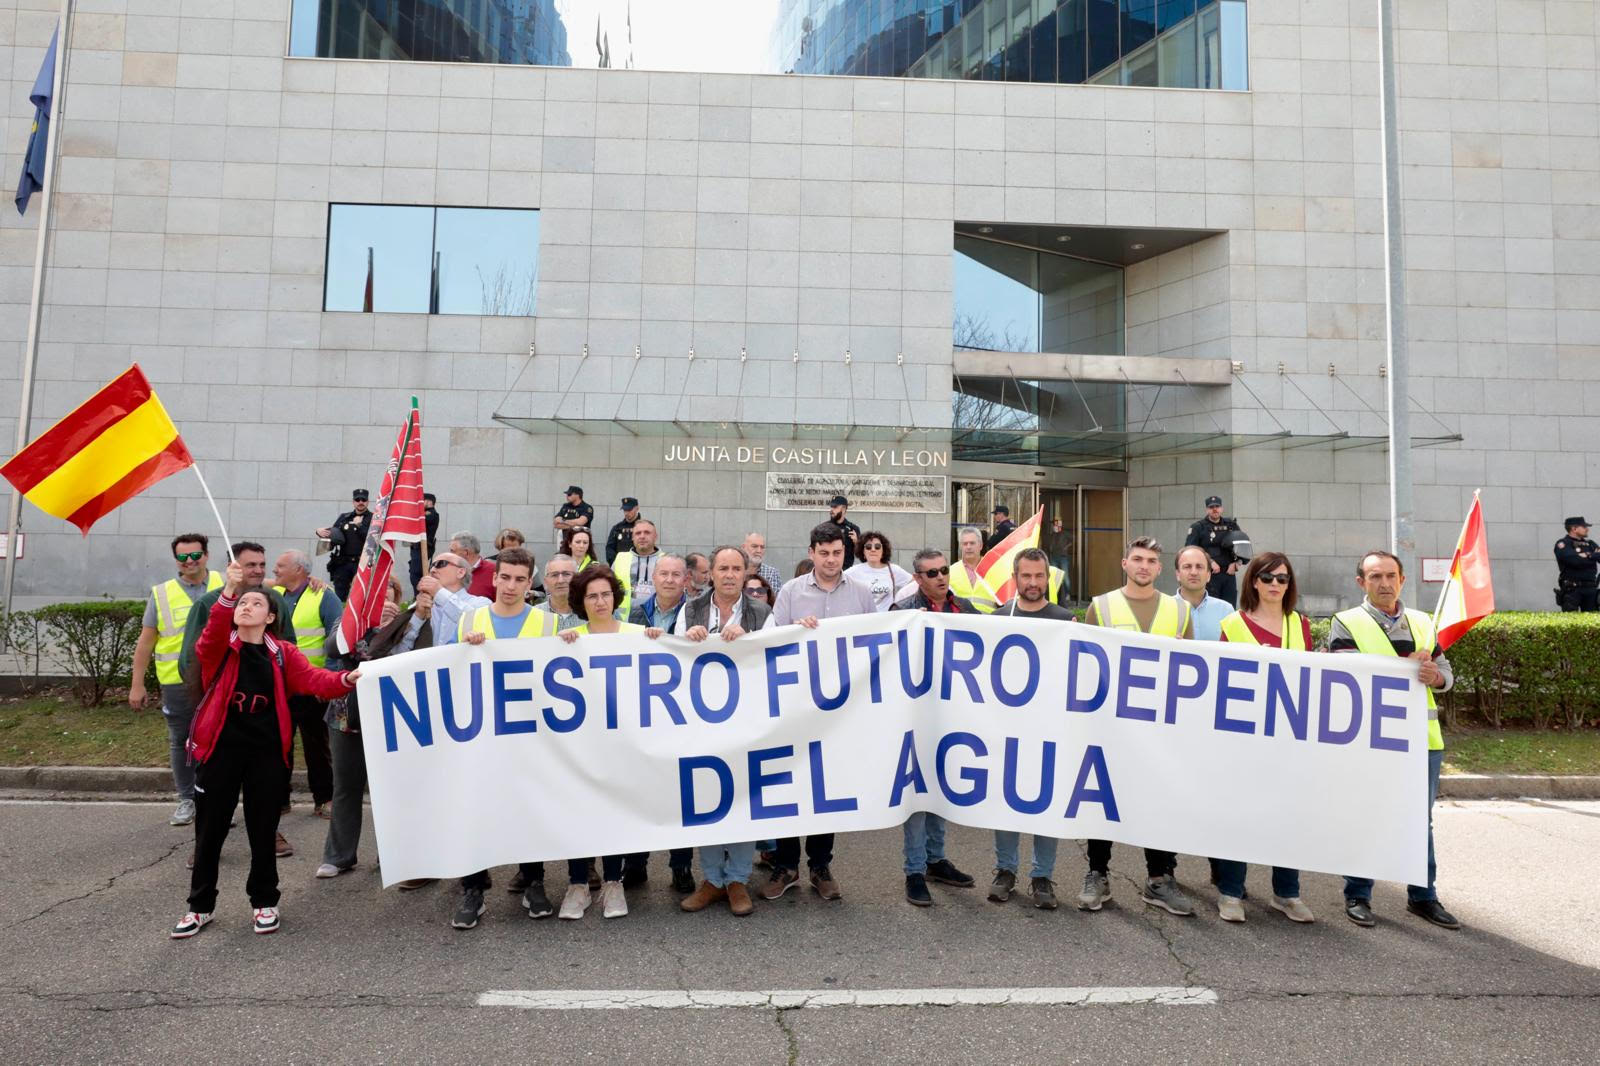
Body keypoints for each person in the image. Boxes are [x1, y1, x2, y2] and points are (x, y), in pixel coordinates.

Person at [169, 560, 360, 939]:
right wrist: (229, 591)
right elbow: (209, 634)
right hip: (220, 753)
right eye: (242, 603)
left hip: (267, 754)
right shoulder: (220, 648)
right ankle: (199, 907)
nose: (246, 607)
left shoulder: (282, 653)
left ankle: (264, 901)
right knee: (209, 833)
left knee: (263, 830)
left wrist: (346, 679)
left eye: (256, 603)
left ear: (271, 617)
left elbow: (314, 680)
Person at [1329, 549, 1460, 931]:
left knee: (1419, 821)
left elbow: (1447, 674)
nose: (1384, 583)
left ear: (1402, 580)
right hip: (1368, 737)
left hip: (1423, 740)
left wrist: (1435, 676)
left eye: (1390, 576)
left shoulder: (1422, 622)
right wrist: (1404, 666)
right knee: (1366, 814)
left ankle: (1423, 896)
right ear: (1361, 582)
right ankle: (1358, 895)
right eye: (1375, 576)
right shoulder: (1346, 621)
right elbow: (1343, 670)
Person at [442, 548, 561, 929]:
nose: (511, 586)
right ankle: (473, 888)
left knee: (528, 808)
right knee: (476, 809)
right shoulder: (469, 620)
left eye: (520, 579)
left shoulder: (548, 623)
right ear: (493, 578)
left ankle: (533, 880)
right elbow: (445, 669)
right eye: (505, 577)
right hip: (480, 736)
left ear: (530, 584)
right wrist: (464, 648)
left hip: (528, 734)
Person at [1078, 536, 1196, 916]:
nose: (1144, 566)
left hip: (1161, 726)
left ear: (1159, 568)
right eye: (1138, 559)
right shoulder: (1100, 606)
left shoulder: (1180, 611)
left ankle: (1159, 879)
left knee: (1158, 800)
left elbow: (1190, 670)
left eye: (1151, 561)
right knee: (1103, 799)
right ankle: (1098, 874)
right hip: (1112, 722)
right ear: (1124, 563)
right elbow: (1088, 667)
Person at [764, 523, 878, 902]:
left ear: (846, 553)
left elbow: (874, 642)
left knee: (825, 785)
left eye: (837, 553)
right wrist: (795, 631)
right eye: (824, 553)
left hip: (839, 708)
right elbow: (771, 642)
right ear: (811, 553)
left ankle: (820, 865)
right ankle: (785, 865)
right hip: (795, 705)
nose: (831, 560)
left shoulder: (861, 593)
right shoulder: (790, 592)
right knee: (788, 781)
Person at [1208, 552, 1316, 924]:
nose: (1274, 584)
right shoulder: (1233, 624)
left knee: (1287, 815)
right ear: (1253, 581)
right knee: (1239, 814)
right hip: (1244, 736)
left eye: (1282, 578)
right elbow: (1221, 680)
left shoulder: (1300, 624)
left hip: (1289, 736)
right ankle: (1230, 892)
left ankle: (1287, 893)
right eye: (1267, 577)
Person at [672, 546, 774, 917]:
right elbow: (673, 658)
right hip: (702, 723)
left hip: (747, 722)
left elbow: (774, 660)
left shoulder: (763, 613)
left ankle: (737, 880)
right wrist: (689, 638)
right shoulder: (690, 610)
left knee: (743, 799)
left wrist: (749, 639)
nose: (729, 575)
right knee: (708, 799)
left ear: (745, 573)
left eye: (736, 568)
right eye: (723, 568)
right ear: (710, 573)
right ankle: (713, 879)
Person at [554, 564, 658, 920]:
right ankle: (577, 884)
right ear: (581, 602)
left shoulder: (637, 633)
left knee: (615, 810)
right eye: (592, 596)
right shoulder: (570, 638)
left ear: (615, 597)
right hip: (580, 745)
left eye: (605, 594)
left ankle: (614, 882)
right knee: (579, 809)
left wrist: (659, 640)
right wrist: (559, 647)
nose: (600, 602)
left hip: (622, 742)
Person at [316, 574, 430, 882]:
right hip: (346, 715)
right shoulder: (350, 620)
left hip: (392, 715)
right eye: (376, 591)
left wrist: (393, 626)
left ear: (397, 596)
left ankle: (392, 854)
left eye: (389, 590)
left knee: (391, 789)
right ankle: (338, 856)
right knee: (346, 786)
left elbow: (408, 658)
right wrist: (365, 625)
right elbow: (334, 649)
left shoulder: (411, 621)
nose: (383, 596)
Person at [888, 549, 979, 905]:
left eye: (944, 570)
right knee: (916, 793)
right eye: (932, 573)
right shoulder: (903, 611)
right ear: (917, 579)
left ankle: (936, 860)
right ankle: (914, 870)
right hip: (915, 716)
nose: (941, 577)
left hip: (953, 716)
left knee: (941, 787)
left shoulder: (966, 609)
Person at [986, 548, 1073, 909]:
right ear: (1015, 578)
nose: (1033, 582)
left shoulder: (1065, 620)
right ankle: (1005, 870)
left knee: (1046, 801)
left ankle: (1042, 876)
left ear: (1048, 579)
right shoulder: (998, 618)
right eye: (1026, 576)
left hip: (1051, 727)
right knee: (1006, 800)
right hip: (1008, 727)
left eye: (1039, 576)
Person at [130, 533, 222, 828]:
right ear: (176, 560)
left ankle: (215, 801)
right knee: (182, 741)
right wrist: (137, 684)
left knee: (220, 740)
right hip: (177, 682)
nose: (189, 561)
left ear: (206, 555)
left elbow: (269, 585)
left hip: (220, 678)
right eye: (183, 557)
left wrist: (311, 580)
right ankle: (187, 799)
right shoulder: (161, 593)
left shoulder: (225, 582)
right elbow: (146, 642)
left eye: (195, 555)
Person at [271, 549, 342, 820]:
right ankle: (279, 799)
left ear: (299, 570)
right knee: (279, 744)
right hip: (279, 685)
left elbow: (337, 639)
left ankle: (324, 799)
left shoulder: (324, 596)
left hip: (312, 686)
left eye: (280, 566)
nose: (275, 570)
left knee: (317, 746)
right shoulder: (274, 595)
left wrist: (328, 681)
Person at [414, 549, 489, 646]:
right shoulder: (425, 605)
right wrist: (418, 615)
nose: (432, 570)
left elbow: (474, 621)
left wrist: (439, 592)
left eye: (440, 564)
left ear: (461, 572)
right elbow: (402, 649)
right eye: (431, 566)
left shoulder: (481, 603)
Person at [1185, 494, 1245, 606]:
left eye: (1217, 506)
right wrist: (1209, 561)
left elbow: (1243, 546)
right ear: (1207, 510)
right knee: (1209, 607)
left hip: (1229, 574)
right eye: (1211, 507)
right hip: (1209, 575)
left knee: (1229, 608)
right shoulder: (1198, 527)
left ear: (1222, 508)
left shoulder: (1231, 525)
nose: (1214, 509)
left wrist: (1237, 563)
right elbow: (1190, 550)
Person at [316, 489, 373, 602]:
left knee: (361, 597)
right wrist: (319, 532)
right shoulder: (344, 517)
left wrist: (359, 526)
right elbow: (333, 534)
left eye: (363, 500)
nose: (360, 502)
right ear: (353, 502)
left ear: (368, 502)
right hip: (343, 564)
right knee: (339, 597)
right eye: (357, 499)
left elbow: (372, 539)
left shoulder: (373, 518)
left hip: (362, 563)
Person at [1174, 545, 1235, 642]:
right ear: (1178, 574)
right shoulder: (1164, 609)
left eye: (1199, 567)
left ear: (1208, 575)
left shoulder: (1226, 611)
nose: (1194, 572)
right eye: (1187, 567)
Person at [846, 530, 912, 611]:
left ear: (883, 551)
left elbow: (915, 583)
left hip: (888, 618)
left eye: (877, 546)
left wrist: (903, 602)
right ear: (863, 551)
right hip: (864, 617)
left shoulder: (893, 570)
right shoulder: (854, 571)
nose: (873, 549)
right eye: (868, 547)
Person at [628, 553, 690, 634]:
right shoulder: (636, 613)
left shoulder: (695, 614)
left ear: (685, 580)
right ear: (654, 578)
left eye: (676, 574)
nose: (669, 580)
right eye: (664, 574)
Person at [613, 517, 661, 616]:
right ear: (633, 538)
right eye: (638, 533)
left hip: (656, 620)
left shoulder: (666, 560)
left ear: (655, 536)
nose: (642, 536)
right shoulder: (620, 558)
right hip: (623, 620)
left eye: (647, 532)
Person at [533, 554, 586, 631]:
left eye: (566, 574)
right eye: (554, 575)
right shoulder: (534, 615)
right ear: (546, 582)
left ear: (577, 579)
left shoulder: (590, 613)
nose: (560, 580)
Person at [949, 527, 998, 612]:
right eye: (965, 544)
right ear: (960, 547)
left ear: (980, 545)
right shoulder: (951, 571)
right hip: (959, 619)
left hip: (988, 618)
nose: (968, 547)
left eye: (972, 543)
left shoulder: (993, 569)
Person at [1555, 516, 1598, 612]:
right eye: (1584, 527)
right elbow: (1574, 561)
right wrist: (1593, 555)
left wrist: (1586, 555)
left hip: (1591, 588)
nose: (1587, 529)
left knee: (1592, 618)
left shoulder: (1591, 544)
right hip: (1572, 590)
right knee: (1571, 618)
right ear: (1574, 529)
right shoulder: (1563, 544)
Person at [408, 492, 440, 592]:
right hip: (417, 548)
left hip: (423, 548)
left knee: (415, 574)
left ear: (429, 502)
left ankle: (419, 595)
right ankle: (418, 595)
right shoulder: (424, 513)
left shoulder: (431, 514)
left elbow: (418, 521)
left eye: (422, 501)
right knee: (415, 573)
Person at [449, 531, 496, 599]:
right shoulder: (449, 570)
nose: (449, 555)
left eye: (452, 551)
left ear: (466, 552)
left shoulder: (493, 571)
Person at [826, 494, 863, 569]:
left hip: (846, 570)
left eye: (835, 507)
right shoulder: (824, 527)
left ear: (843, 509)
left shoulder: (853, 529)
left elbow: (861, 554)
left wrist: (856, 542)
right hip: (828, 569)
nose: (832, 510)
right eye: (831, 507)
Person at [605, 497, 641, 564]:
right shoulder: (617, 528)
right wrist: (615, 563)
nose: (626, 513)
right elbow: (610, 548)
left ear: (637, 508)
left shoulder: (644, 527)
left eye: (629, 510)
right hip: (620, 566)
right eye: (625, 510)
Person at [1045, 516, 1072, 589]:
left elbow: (1074, 540)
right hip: (1054, 557)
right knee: (1055, 579)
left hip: (1063, 558)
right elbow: (1049, 545)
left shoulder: (1065, 533)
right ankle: (1057, 594)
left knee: (1065, 578)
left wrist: (1066, 547)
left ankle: (1067, 594)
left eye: (1056, 523)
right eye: (1054, 524)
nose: (1055, 525)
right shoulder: (1052, 534)